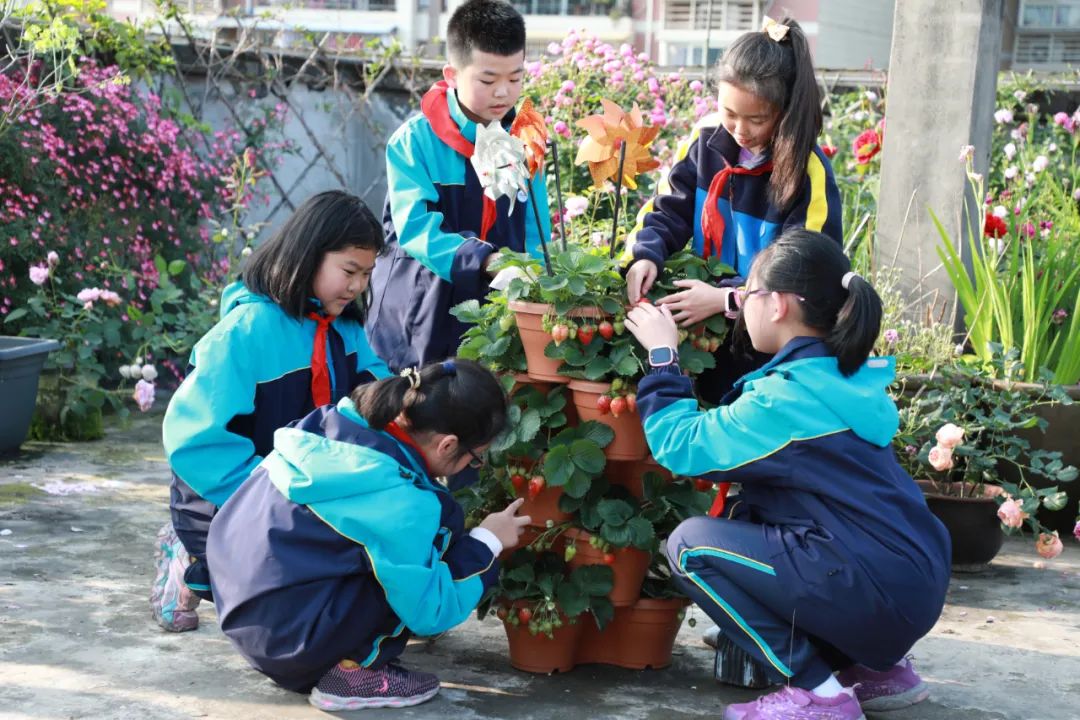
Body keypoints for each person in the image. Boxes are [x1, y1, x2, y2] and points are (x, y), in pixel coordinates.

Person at [625, 229, 950, 720]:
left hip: (875, 593)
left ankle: (819, 693)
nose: (744, 305)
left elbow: (681, 445)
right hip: (916, 582)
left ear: (778, 305)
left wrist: (663, 356)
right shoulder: (846, 377)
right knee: (754, 515)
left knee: (690, 547)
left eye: (749, 294)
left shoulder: (785, 401)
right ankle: (877, 669)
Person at [205, 359, 528, 710]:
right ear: (448, 445)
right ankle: (350, 675)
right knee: (410, 573)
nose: (472, 466)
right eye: (475, 458)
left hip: (239, 606)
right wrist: (487, 542)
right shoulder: (405, 504)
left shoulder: (329, 422)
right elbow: (429, 613)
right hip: (292, 650)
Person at [150, 191, 392, 633]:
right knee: (277, 585)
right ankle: (188, 558)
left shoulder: (346, 331)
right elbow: (193, 438)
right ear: (308, 256)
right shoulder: (246, 332)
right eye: (349, 271)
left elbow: (374, 398)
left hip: (295, 488)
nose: (358, 286)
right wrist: (263, 492)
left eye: (367, 274)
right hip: (228, 491)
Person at [624, 16, 843, 404]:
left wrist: (726, 299)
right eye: (729, 112)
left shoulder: (807, 172)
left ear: (785, 109)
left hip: (769, 344)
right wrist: (646, 256)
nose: (739, 129)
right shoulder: (706, 139)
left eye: (756, 119)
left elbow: (805, 281)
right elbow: (667, 208)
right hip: (705, 332)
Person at [368, 0, 551, 372]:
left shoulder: (526, 141)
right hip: (419, 316)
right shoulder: (414, 141)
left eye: (515, 79)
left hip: (496, 319)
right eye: (488, 80)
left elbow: (537, 232)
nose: (503, 92)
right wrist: (487, 259)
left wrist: (537, 278)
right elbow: (416, 228)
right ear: (451, 74)